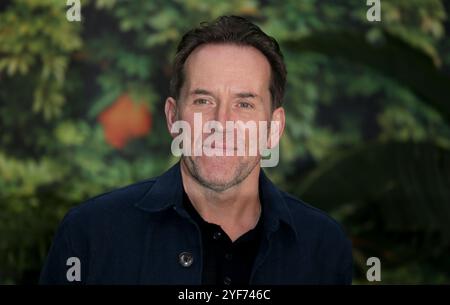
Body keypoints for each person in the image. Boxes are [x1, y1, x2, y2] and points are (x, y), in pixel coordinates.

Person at [40, 15, 352, 285]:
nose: (221, 122)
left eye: (244, 104)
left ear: (274, 128)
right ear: (173, 117)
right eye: (203, 100)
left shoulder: (322, 246)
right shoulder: (89, 235)